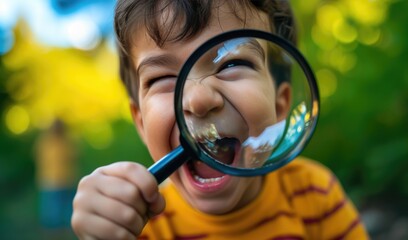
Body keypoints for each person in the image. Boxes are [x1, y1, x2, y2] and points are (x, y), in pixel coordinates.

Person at [71, 0, 369, 239]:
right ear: (141, 124)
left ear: (280, 107)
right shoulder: (143, 228)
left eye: (232, 63)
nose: (197, 100)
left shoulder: (315, 194)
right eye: (162, 78)